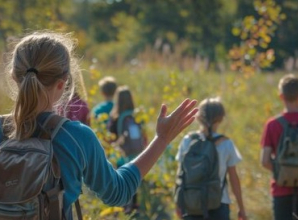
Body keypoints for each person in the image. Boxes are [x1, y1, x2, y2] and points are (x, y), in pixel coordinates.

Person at [0, 31, 198, 219]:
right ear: (63, 84)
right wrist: (162, 139)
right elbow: (117, 193)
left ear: (14, 77)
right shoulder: (77, 137)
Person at [176, 97, 247, 220]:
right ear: (220, 118)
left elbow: (180, 174)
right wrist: (241, 208)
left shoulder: (187, 140)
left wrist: (178, 203)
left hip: (192, 202)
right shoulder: (226, 144)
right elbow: (233, 178)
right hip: (219, 203)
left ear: (198, 117)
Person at [261, 74, 298, 220]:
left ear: (281, 96)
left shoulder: (273, 124)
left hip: (280, 190)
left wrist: (283, 172)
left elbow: (265, 161)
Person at [107, 85, 148, 214]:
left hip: (121, 154)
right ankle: (134, 205)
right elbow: (144, 134)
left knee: (121, 180)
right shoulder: (137, 116)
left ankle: (123, 206)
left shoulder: (115, 118)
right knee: (134, 178)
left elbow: (111, 138)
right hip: (136, 153)